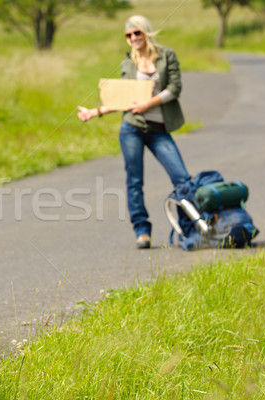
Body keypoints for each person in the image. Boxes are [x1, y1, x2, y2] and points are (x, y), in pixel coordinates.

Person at [77, 15, 191, 249]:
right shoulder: (127, 63)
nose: (133, 38)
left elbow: (174, 88)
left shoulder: (166, 55)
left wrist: (148, 104)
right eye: (128, 35)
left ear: (146, 32)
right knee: (135, 182)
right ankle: (142, 231)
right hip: (132, 129)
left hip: (159, 129)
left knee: (182, 179)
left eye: (137, 33)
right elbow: (121, 100)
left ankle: (187, 229)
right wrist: (94, 112)